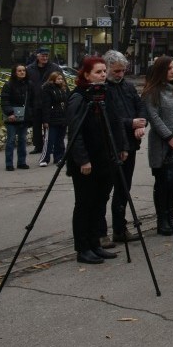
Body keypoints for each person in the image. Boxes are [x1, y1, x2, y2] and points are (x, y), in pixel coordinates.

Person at [65, 57, 129, 265]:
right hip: (86, 162)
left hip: (106, 158)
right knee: (85, 204)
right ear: (86, 74)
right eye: (98, 72)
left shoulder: (105, 93)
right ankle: (83, 248)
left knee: (100, 202)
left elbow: (116, 121)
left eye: (104, 71)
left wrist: (121, 147)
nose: (102, 75)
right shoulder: (79, 97)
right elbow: (76, 131)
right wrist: (83, 160)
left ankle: (95, 244)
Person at [142, 56, 173, 237]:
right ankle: (162, 220)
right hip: (162, 145)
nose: (172, 71)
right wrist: (169, 137)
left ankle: (171, 217)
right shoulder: (152, 91)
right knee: (162, 183)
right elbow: (154, 118)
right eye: (169, 68)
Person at [103, 50, 148, 244]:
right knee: (105, 191)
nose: (120, 74)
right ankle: (100, 231)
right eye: (116, 71)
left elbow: (141, 106)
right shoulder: (103, 89)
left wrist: (141, 123)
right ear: (107, 69)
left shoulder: (128, 87)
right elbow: (108, 119)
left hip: (130, 144)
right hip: (110, 146)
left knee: (124, 189)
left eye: (123, 71)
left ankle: (120, 229)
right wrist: (131, 123)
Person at [26, 47, 62, 154]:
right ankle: (38, 146)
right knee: (36, 126)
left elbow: (62, 82)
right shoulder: (30, 69)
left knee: (49, 126)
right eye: (42, 55)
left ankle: (49, 146)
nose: (45, 57)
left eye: (46, 56)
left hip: (51, 102)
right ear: (37, 56)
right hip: (35, 102)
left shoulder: (55, 68)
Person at [0, 64, 32, 171]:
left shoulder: (28, 84)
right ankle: (9, 163)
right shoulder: (9, 85)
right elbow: (5, 100)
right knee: (11, 140)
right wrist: (10, 113)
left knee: (23, 140)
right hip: (12, 117)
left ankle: (21, 162)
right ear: (15, 72)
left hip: (24, 117)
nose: (22, 72)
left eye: (23, 70)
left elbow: (32, 101)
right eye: (19, 71)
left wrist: (30, 114)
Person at [38, 71, 69, 168]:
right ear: (53, 79)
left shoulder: (63, 89)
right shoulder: (48, 89)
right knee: (49, 140)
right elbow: (46, 105)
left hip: (62, 118)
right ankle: (44, 159)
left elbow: (67, 101)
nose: (60, 80)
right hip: (52, 118)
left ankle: (59, 157)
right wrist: (45, 120)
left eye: (61, 79)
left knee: (60, 139)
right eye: (58, 79)